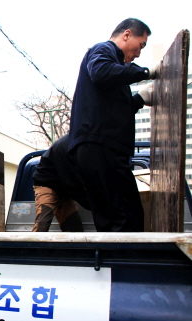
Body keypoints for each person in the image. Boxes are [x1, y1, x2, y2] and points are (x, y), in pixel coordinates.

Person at [68, 18, 159, 232]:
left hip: (100, 147)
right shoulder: (103, 50)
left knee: (116, 216)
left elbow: (113, 109)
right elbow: (101, 73)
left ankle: (116, 262)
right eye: (141, 45)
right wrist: (145, 73)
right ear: (126, 35)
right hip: (100, 147)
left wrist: (139, 99)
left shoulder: (115, 68)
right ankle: (121, 264)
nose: (139, 53)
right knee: (124, 217)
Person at [32, 134, 90, 232]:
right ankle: (31, 246)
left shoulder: (79, 143)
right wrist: (92, 205)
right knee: (42, 225)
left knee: (74, 229)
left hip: (64, 188)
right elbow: (74, 186)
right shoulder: (65, 145)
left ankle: (75, 247)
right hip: (47, 184)